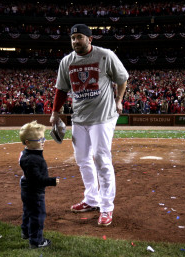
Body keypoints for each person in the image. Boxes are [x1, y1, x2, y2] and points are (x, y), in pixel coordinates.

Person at [50, 23, 129, 226]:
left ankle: (106, 207)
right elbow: (61, 90)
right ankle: (91, 199)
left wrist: (119, 100)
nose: (76, 41)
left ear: (90, 39)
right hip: (79, 118)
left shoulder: (105, 55)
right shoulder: (66, 61)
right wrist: (55, 113)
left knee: (101, 159)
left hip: (102, 117)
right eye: (73, 38)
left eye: (79, 37)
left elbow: (122, 79)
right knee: (83, 159)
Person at [18, 120, 59, 249]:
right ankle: (36, 241)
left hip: (27, 189)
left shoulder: (27, 154)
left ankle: (26, 232)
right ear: (28, 142)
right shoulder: (32, 159)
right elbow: (36, 179)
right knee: (37, 215)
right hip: (35, 192)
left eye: (43, 138)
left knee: (28, 212)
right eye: (39, 139)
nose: (43, 141)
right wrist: (51, 181)